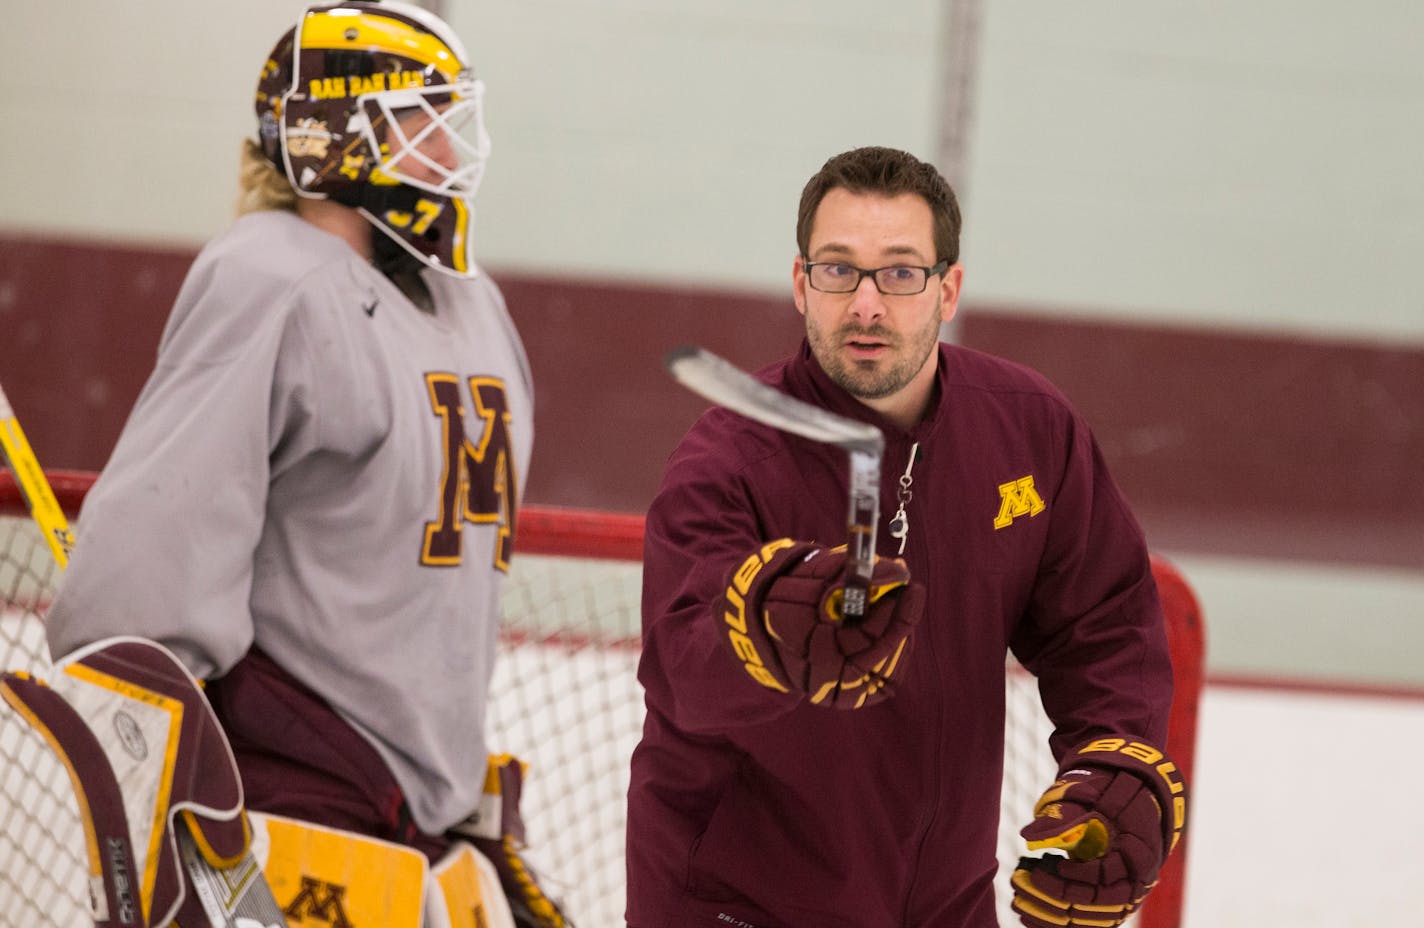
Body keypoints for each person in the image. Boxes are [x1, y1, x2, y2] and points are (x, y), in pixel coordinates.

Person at [44, 3, 566, 925]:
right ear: (333, 137)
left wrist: (469, 805)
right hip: (293, 811)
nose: (449, 153)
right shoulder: (271, 278)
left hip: (425, 825)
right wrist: (162, 826)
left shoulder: (474, 306)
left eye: (452, 119)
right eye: (420, 121)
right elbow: (140, 585)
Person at [627, 146, 1187, 928]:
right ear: (800, 285)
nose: (865, 304)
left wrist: (1113, 765)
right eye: (837, 270)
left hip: (943, 904)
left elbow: (1102, 625)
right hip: (738, 906)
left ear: (947, 288)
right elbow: (682, 665)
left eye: (899, 273)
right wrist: (764, 631)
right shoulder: (730, 456)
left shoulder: (1028, 430)